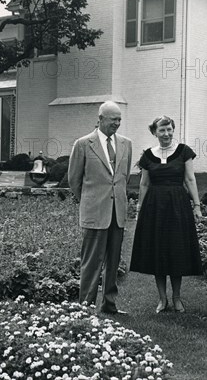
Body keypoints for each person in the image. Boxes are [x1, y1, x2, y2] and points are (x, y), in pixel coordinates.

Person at [130, 115, 203, 313]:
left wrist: (196, 205)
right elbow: (144, 184)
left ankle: (177, 298)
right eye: (162, 130)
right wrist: (139, 208)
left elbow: (190, 179)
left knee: (176, 250)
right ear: (154, 133)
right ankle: (162, 299)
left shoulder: (184, 152)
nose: (166, 134)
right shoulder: (147, 155)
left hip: (178, 206)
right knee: (158, 252)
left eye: (169, 129)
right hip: (154, 208)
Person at [68, 101, 133, 314]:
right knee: (91, 262)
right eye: (113, 119)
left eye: (119, 119)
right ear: (100, 119)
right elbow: (74, 180)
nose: (117, 123)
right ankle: (85, 307)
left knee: (113, 262)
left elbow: (123, 178)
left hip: (117, 214)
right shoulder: (83, 144)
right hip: (95, 212)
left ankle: (109, 305)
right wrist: (89, 201)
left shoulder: (126, 144)